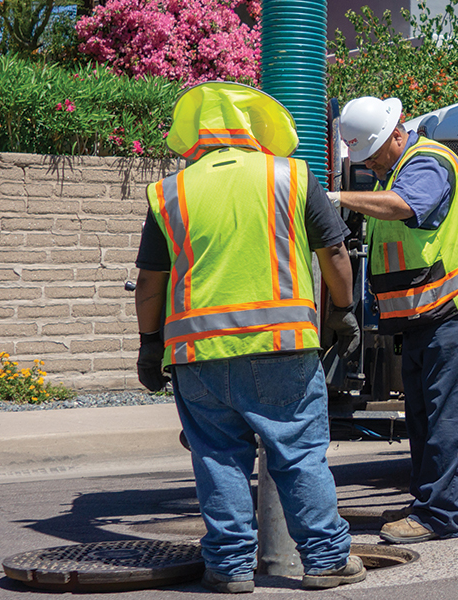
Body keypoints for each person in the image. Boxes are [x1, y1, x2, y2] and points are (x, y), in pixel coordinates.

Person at [134, 82, 366, 593]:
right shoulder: (292, 176)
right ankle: (326, 560)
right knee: (299, 454)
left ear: (194, 135)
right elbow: (335, 255)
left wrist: (150, 343)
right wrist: (343, 313)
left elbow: (151, 281)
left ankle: (230, 567)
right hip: (283, 348)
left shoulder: (170, 191)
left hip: (198, 355)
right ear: (256, 128)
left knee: (217, 458)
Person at [335, 96, 458, 544]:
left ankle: (437, 516)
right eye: (364, 159)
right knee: (423, 421)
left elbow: (406, 206)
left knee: (448, 418)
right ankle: (426, 503)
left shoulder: (427, 162)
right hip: (422, 319)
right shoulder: (393, 171)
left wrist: (337, 197)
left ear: (397, 134)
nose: (370, 166)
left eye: (373, 156)